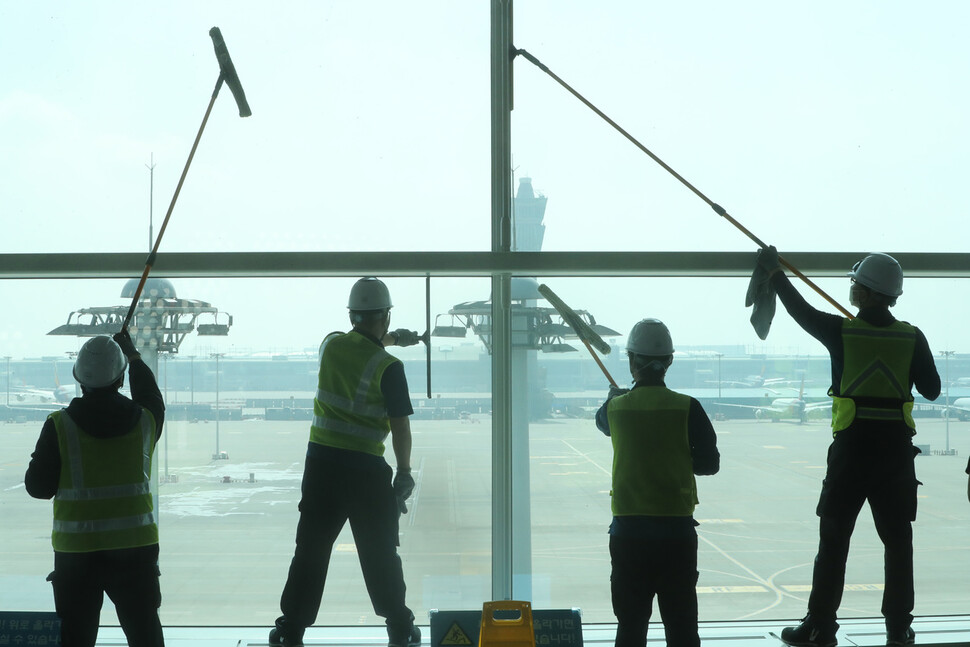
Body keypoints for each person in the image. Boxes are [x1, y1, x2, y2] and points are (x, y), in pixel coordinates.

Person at [756, 248, 941, 647]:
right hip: (895, 456)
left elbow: (800, 311)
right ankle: (898, 627)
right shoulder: (911, 336)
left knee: (834, 541)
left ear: (869, 292)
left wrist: (774, 272)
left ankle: (820, 626)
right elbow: (931, 389)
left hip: (852, 453)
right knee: (898, 543)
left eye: (856, 283)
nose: (852, 287)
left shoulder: (841, 331)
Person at [271, 277, 423, 647]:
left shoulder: (330, 346)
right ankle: (400, 628)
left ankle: (290, 629)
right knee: (379, 552)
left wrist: (391, 336)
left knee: (310, 550)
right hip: (365, 474)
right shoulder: (390, 367)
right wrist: (403, 473)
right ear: (386, 317)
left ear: (353, 314)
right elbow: (400, 427)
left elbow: (359, 342)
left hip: (321, 467)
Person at [25, 330, 165, 647]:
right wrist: (133, 355)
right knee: (145, 634)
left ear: (79, 379)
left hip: (77, 555)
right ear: (120, 379)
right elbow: (151, 397)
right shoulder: (145, 421)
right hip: (134, 550)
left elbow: (37, 487)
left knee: (76, 637)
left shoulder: (59, 425)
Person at [595, 318, 720, 647]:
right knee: (681, 629)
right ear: (669, 362)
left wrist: (614, 396)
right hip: (675, 535)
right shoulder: (688, 408)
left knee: (631, 627)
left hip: (628, 534)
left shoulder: (615, 409)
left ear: (632, 360)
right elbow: (709, 465)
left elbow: (603, 422)